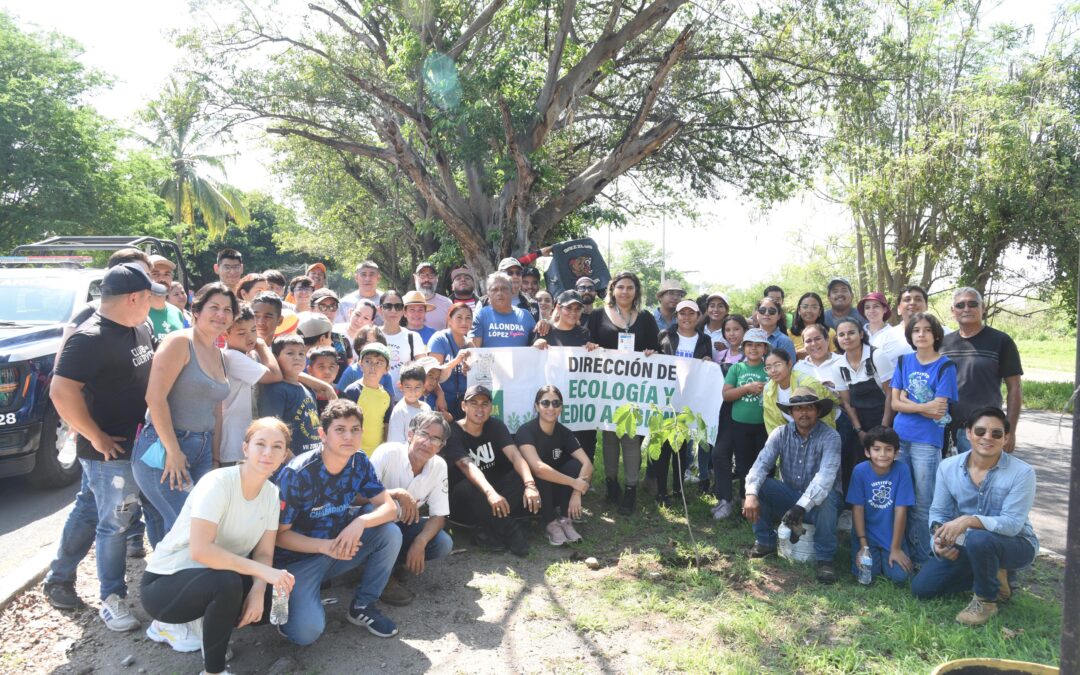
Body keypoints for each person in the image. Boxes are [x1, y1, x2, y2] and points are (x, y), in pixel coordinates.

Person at [42, 263, 160, 630]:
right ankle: (113, 597)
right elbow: (61, 391)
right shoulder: (89, 338)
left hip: (139, 443)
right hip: (110, 453)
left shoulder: (140, 326)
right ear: (134, 297)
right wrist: (94, 434)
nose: (153, 303)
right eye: (149, 296)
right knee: (114, 524)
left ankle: (58, 578)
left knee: (90, 510)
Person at [140, 418, 295, 672]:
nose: (268, 452)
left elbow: (265, 552)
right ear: (245, 448)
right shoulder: (218, 482)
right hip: (165, 585)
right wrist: (261, 572)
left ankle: (202, 623)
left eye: (277, 447)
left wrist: (257, 590)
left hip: (213, 577)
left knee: (272, 597)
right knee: (227, 584)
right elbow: (201, 550)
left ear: (285, 454)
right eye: (261, 444)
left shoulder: (271, 493)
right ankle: (211, 667)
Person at [273, 399, 403, 644]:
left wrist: (361, 522)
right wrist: (324, 547)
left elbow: (389, 508)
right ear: (323, 434)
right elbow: (279, 535)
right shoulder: (298, 473)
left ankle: (362, 606)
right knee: (305, 635)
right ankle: (283, 606)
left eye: (355, 430)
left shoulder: (359, 461)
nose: (348, 437)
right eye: (340, 430)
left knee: (389, 532)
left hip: (337, 549)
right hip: (297, 562)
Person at [911, 407, 1038, 626]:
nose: (987, 437)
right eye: (980, 431)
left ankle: (986, 600)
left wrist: (970, 520)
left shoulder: (1022, 473)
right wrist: (937, 542)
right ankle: (995, 575)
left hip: (1016, 543)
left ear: (1006, 438)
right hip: (970, 543)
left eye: (996, 434)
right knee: (922, 589)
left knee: (980, 537)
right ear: (969, 433)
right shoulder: (948, 467)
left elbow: (1013, 525)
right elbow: (938, 513)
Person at [133, 283, 235, 548]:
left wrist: (215, 457)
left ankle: (169, 585)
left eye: (227, 309)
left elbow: (217, 409)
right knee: (187, 531)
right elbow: (154, 398)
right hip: (165, 447)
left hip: (202, 450)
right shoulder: (179, 342)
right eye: (214, 307)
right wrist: (173, 450)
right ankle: (168, 586)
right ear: (197, 310)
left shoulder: (219, 354)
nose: (220, 315)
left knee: (195, 529)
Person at [742, 387, 843, 584]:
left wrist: (801, 507)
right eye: (798, 409)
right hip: (791, 497)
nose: (803, 413)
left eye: (809, 408)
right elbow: (760, 465)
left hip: (820, 504)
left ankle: (825, 560)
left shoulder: (831, 437)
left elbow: (825, 478)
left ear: (818, 411)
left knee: (828, 495)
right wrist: (751, 494)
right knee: (761, 485)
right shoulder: (780, 433)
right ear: (791, 412)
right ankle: (765, 542)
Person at [585, 272, 660, 515]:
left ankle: (630, 488)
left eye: (630, 287)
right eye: (621, 287)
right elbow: (587, 343)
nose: (625, 292)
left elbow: (656, 348)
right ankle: (611, 484)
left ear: (636, 292)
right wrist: (591, 347)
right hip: (606, 388)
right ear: (612, 290)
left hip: (634, 389)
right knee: (608, 437)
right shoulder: (597, 315)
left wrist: (651, 352)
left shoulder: (646, 318)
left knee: (630, 437)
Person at [440, 385, 541, 556]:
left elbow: (515, 456)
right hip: (463, 501)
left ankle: (486, 529)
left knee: (522, 475)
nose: (480, 409)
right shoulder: (453, 432)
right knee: (469, 486)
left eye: (484, 404)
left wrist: (530, 484)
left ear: (490, 407)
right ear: (464, 406)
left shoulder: (496, 426)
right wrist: (490, 493)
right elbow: (467, 465)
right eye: (474, 403)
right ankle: (510, 529)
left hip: (493, 494)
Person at [890, 312, 958, 565]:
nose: (921, 334)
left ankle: (924, 557)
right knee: (901, 497)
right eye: (916, 330)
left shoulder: (945, 366)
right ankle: (901, 548)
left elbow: (939, 409)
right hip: (900, 437)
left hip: (927, 441)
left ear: (936, 334)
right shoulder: (903, 362)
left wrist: (910, 401)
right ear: (910, 335)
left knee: (923, 501)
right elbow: (895, 403)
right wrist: (922, 406)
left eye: (927, 330)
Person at [369, 412, 455, 606]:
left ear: (441, 446)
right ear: (410, 435)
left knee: (443, 543)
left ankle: (392, 563)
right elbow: (358, 496)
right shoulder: (388, 452)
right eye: (423, 434)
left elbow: (439, 515)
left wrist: (420, 542)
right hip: (373, 525)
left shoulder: (439, 465)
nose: (427, 442)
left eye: (435, 439)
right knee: (391, 532)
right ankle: (381, 577)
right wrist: (397, 493)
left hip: (403, 524)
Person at [940, 288, 1023, 454]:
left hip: (983, 431)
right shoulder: (943, 344)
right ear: (953, 311)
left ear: (983, 308)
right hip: (944, 429)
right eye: (960, 305)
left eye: (972, 304)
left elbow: (1015, 388)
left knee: (981, 479)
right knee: (948, 479)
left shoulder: (1001, 341)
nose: (966, 309)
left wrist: (1010, 431)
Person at [515, 386, 593, 545]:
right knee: (543, 471)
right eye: (545, 403)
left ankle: (565, 518)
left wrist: (577, 493)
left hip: (555, 491)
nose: (551, 408)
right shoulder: (525, 431)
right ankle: (550, 523)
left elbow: (587, 464)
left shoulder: (564, 432)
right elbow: (538, 468)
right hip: (532, 493)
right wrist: (574, 482)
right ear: (537, 406)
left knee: (574, 465)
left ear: (561, 408)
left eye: (556, 403)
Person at [655, 299, 714, 502]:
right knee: (663, 448)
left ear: (698, 316)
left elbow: (708, 369)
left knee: (680, 448)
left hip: (689, 402)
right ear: (676, 316)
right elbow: (656, 361)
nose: (686, 317)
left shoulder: (705, 340)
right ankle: (661, 491)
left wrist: (708, 361)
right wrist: (650, 355)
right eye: (682, 313)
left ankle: (678, 489)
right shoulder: (665, 335)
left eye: (691, 313)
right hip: (666, 400)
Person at [834, 317, 895, 495]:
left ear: (861, 334)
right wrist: (859, 430)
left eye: (851, 332)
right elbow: (847, 402)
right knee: (861, 467)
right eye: (842, 334)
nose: (847, 337)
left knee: (886, 465)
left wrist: (883, 428)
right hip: (860, 422)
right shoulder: (838, 365)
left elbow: (890, 393)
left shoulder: (877, 356)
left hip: (885, 418)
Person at [847, 426, 914, 585]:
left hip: (892, 535)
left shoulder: (902, 470)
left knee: (901, 577)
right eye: (877, 449)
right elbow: (857, 509)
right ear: (867, 452)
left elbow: (901, 510)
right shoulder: (860, 471)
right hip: (867, 536)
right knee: (865, 576)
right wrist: (863, 546)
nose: (883, 454)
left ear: (896, 452)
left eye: (888, 449)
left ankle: (888, 556)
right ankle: (877, 557)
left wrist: (896, 548)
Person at [221, 305, 283, 465]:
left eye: (253, 330)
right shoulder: (232, 357)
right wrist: (262, 345)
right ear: (225, 334)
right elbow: (275, 375)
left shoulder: (246, 355)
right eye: (241, 333)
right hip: (233, 444)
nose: (250, 337)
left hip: (242, 440)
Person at [722, 327, 770, 509]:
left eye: (759, 345)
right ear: (743, 348)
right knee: (743, 464)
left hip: (764, 425)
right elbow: (726, 395)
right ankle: (745, 502)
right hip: (740, 424)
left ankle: (763, 504)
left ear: (765, 349)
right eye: (749, 345)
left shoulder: (769, 369)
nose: (754, 349)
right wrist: (747, 388)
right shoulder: (737, 368)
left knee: (765, 464)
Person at [258, 335, 322, 458]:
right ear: (276, 358)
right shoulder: (276, 390)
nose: (297, 358)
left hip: (312, 459)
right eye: (290, 353)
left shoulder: (308, 388)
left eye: (301, 354)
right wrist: (291, 461)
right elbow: (272, 431)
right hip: (290, 464)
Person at [710, 314, 747, 519]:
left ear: (744, 331)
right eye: (728, 330)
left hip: (742, 413)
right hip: (721, 413)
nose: (732, 334)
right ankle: (724, 499)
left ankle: (745, 499)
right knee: (719, 455)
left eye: (736, 329)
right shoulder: (720, 356)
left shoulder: (750, 356)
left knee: (742, 460)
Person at [762, 348, 837, 435]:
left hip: (831, 428)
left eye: (777, 365)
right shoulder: (768, 389)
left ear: (789, 364)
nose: (773, 370)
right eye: (768, 367)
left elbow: (824, 419)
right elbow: (772, 423)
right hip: (798, 433)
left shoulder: (808, 384)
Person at [343, 343, 393, 454]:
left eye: (379, 363)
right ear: (360, 364)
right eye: (368, 361)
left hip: (377, 454)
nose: (373, 367)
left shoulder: (387, 395)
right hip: (354, 453)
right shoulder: (352, 392)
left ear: (387, 369)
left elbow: (386, 424)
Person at [427, 303, 473, 419]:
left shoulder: (470, 344)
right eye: (459, 317)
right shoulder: (439, 339)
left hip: (464, 401)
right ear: (449, 320)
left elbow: (475, 376)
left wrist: (469, 372)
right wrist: (440, 395)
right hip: (443, 399)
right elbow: (432, 374)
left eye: (468, 318)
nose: (464, 322)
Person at [471, 272, 537, 348]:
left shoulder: (525, 315)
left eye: (504, 289)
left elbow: (537, 342)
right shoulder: (480, 316)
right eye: (494, 290)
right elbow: (473, 350)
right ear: (488, 294)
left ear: (512, 291)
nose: (499, 293)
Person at [379, 289, 429, 386]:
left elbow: (424, 368)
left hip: (406, 396)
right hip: (376, 396)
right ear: (380, 309)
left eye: (398, 306)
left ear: (403, 311)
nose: (393, 310)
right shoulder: (372, 334)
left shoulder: (413, 337)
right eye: (388, 306)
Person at [337, 326, 396, 398]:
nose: (372, 345)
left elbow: (390, 398)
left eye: (375, 341)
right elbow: (339, 396)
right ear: (359, 346)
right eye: (368, 342)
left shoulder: (385, 374)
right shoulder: (351, 371)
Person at [311, 289, 354, 378]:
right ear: (311, 308)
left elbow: (347, 373)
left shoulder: (342, 340)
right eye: (322, 306)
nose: (328, 311)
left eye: (333, 306)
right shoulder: (302, 338)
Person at [858, 291, 907, 364]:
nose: (871, 311)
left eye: (876, 306)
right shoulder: (859, 333)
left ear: (885, 309)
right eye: (867, 307)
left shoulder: (895, 335)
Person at [388, 364, 431, 443]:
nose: (413, 391)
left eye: (417, 387)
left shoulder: (426, 408)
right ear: (400, 386)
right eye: (408, 387)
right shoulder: (399, 411)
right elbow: (396, 443)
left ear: (424, 387)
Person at [788, 292, 835, 359]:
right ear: (799, 311)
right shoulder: (789, 333)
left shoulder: (830, 332)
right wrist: (797, 354)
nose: (809, 310)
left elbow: (836, 357)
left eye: (814, 307)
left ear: (819, 312)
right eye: (805, 307)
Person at [147, 255, 185, 338]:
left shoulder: (176, 312)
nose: (162, 279)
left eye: (167, 274)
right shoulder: (137, 314)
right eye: (155, 274)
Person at [413, 262, 453, 330]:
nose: (426, 279)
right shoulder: (405, 303)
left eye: (431, 275)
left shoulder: (447, 303)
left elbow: (451, 334)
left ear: (437, 278)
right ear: (415, 278)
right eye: (422, 275)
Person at [754, 296, 796, 361]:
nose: (767, 313)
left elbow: (788, 368)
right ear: (757, 314)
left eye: (772, 311)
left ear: (779, 316)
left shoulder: (785, 342)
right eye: (762, 310)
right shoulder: (748, 337)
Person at [306, 346, 341, 413]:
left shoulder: (344, 398)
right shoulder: (304, 396)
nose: (327, 371)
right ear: (310, 370)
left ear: (337, 369)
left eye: (331, 366)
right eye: (321, 366)